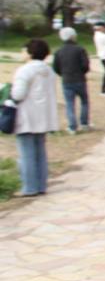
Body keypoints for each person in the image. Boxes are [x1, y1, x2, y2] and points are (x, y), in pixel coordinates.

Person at [9, 38, 59, 196]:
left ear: (30, 53)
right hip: (43, 116)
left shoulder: (25, 70)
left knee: (26, 154)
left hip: (27, 116)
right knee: (40, 153)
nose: (22, 53)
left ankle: (29, 187)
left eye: (24, 50)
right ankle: (41, 185)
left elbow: (18, 94)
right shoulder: (48, 71)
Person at [52, 27, 91, 134]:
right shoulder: (80, 49)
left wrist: (63, 74)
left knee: (69, 103)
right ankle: (84, 123)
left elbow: (55, 67)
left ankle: (72, 126)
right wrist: (82, 72)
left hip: (67, 80)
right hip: (80, 79)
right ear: (73, 36)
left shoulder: (58, 51)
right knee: (84, 102)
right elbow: (85, 66)